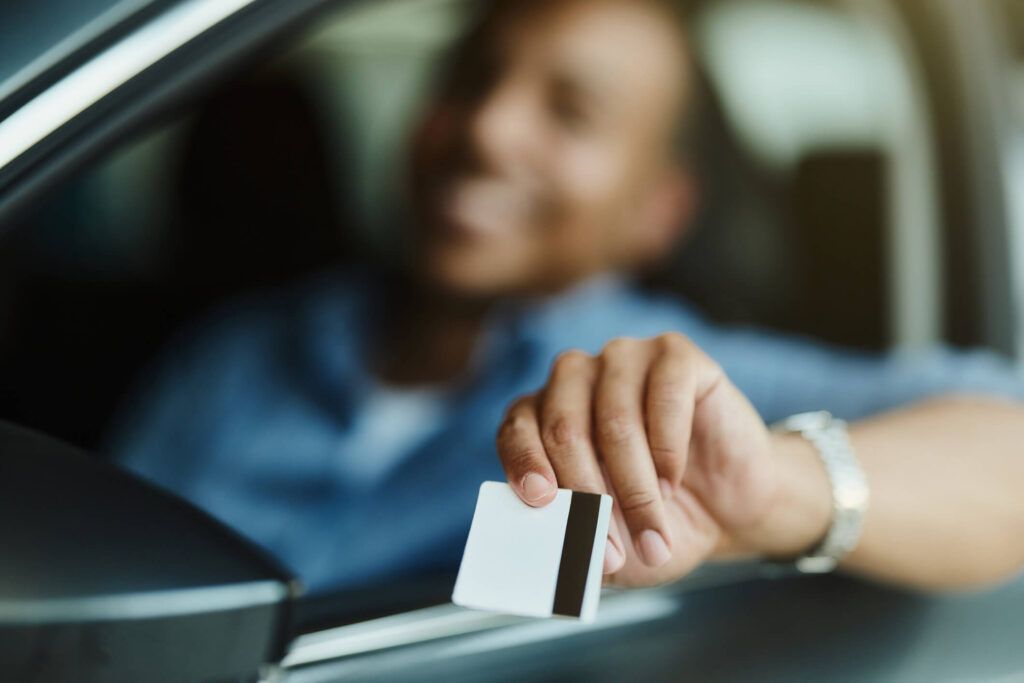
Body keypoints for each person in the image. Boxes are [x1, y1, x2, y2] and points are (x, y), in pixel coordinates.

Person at [110, 0, 1024, 594]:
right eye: (471, 80)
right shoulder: (238, 350)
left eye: (570, 112)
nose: (488, 129)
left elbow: (1009, 446)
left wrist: (771, 487)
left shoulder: (686, 397)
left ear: (656, 212)